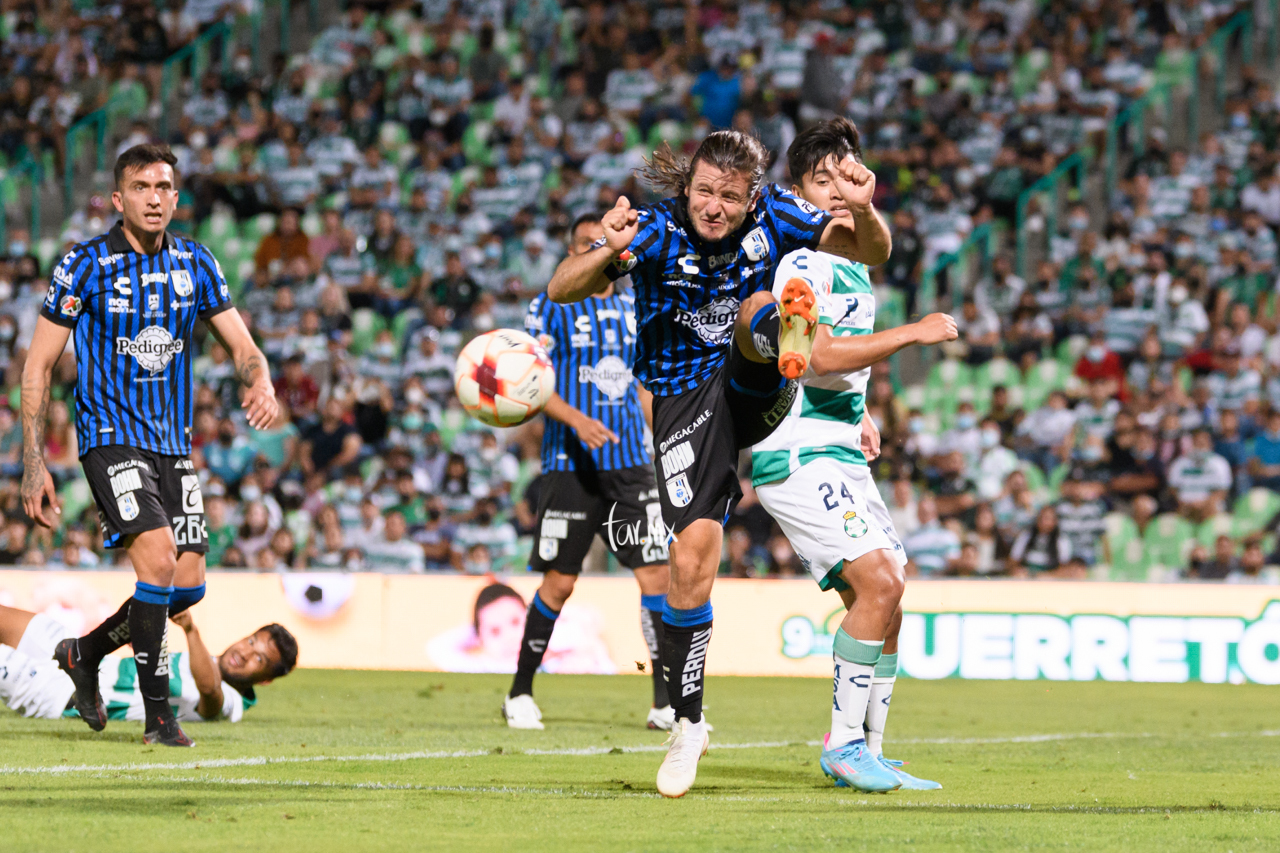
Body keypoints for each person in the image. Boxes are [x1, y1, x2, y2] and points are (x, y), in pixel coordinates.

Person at [546, 128, 892, 797]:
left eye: (730, 197)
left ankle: (784, 334)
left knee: (762, 302)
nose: (714, 206)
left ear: (751, 196)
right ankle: (689, 720)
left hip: (755, 382)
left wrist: (867, 208)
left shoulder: (779, 216)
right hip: (682, 403)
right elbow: (563, 288)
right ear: (688, 187)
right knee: (690, 562)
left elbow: (870, 251)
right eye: (704, 191)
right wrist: (605, 248)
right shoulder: (653, 233)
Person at [20, 145, 279, 747]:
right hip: (109, 437)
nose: (155, 197)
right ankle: (160, 718)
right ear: (119, 199)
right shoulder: (84, 265)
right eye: (141, 187)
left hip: (172, 445)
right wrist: (35, 465)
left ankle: (84, 653)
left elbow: (244, 348)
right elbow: (37, 367)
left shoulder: (196, 262)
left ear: (177, 197)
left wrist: (260, 378)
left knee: (187, 586)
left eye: (165, 186)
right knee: (159, 563)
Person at [750, 118, 955, 793]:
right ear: (797, 193)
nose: (837, 189)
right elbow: (812, 352)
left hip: (837, 447)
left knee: (891, 592)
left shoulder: (849, 256)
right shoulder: (799, 263)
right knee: (880, 585)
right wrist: (913, 333)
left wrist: (859, 410)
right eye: (821, 179)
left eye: (847, 172)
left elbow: (879, 247)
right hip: (798, 453)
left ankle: (870, 747)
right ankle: (842, 746)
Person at [504, 211, 673, 732]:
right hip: (569, 462)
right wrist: (578, 420)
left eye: (603, 241)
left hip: (630, 465)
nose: (595, 249)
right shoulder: (549, 306)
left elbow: (644, 380)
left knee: (656, 577)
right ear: (570, 251)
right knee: (560, 581)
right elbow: (527, 380)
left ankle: (664, 703)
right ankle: (520, 693)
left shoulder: (634, 301)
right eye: (584, 243)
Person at [0, 602, 296, 724]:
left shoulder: (232, 702)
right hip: (78, 655)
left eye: (260, 658)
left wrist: (191, 630)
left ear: (265, 680)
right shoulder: (201, 659)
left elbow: (209, 690)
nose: (246, 652)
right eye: (252, 641)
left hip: (62, 694)